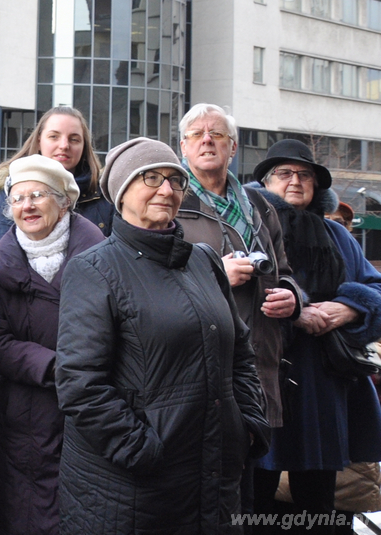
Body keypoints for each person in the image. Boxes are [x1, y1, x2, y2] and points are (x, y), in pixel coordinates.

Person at [56, 137, 270, 534]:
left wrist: (248, 425)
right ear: (122, 192)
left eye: (176, 180)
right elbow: (80, 385)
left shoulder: (203, 260)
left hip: (214, 476)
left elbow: (239, 350)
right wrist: (142, 450)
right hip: (135, 490)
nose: (166, 189)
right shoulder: (94, 269)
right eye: (150, 178)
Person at [248, 139, 381, 533]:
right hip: (265, 377)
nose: (295, 181)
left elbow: (374, 288)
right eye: (285, 173)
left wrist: (350, 307)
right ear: (266, 181)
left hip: (323, 385)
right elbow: (235, 294)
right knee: (256, 498)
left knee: (320, 502)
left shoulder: (336, 235)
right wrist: (297, 310)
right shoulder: (250, 230)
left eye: (304, 175)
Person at [174, 104, 300, 519]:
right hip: (196, 367)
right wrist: (214, 274)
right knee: (198, 493)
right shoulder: (170, 200)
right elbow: (150, 283)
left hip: (258, 361)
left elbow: (286, 272)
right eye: (197, 134)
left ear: (233, 148)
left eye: (218, 134)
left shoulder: (260, 205)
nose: (207, 140)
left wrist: (292, 297)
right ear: (183, 146)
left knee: (243, 495)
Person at [0, 154, 105, 535]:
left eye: (38, 195)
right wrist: (53, 366)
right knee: (24, 514)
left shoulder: (103, 258)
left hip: (94, 405)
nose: (27, 206)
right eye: (17, 199)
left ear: (64, 201)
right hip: (24, 415)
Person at [0, 106, 114, 258]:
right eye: (54, 137)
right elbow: (0, 259)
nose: (64, 145)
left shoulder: (104, 193)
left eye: (74, 139)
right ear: (39, 141)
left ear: (83, 145)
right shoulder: (13, 190)